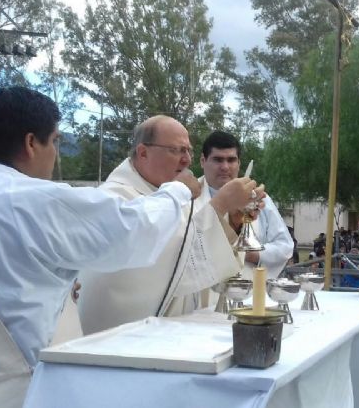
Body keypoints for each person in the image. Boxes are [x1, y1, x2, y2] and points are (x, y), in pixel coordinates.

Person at [0, 87, 259, 408]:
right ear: (32, 143)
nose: (56, 155)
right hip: (14, 393)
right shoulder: (27, 199)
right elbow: (133, 230)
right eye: (55, 142)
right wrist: (182, 191)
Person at [78, 116, 262, 334]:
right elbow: (167, 260)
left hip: (175, 332)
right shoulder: (115, 198)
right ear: (143, 152)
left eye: (188, 151)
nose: (186, 160)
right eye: (176, 150)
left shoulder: (172, 195)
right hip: (127, 337)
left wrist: (232, 222)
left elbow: (195, 260)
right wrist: (220, 205)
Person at [197, 131, 293, 280]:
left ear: (239, 163)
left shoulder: (259, 198)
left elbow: (285, 246)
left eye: (231, 160)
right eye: (218, 160)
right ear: (203, 160)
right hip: (203, 295)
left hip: (249, 293)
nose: (225, 167)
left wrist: (250, 253)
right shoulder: (188, 198)